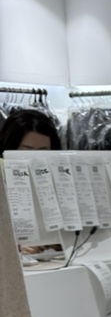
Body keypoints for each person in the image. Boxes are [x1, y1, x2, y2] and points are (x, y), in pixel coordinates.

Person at [0, 108, 62, 255]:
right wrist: (15, 247)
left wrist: (58, 242)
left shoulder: (58, 179)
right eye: (26, 151)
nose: (34, 158)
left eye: (43, 151)